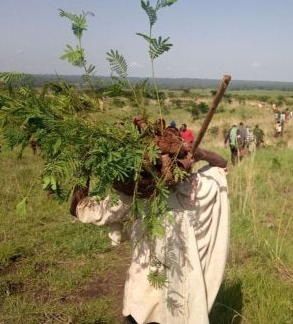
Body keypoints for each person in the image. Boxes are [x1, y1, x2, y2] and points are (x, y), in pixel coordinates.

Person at [70, 119, 229, 324]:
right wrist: (202, 154)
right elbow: (222, 166)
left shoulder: (131, 197)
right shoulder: (190, 188)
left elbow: (82, 209)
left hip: (144, 291)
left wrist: (83, 168)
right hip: (179, 287)